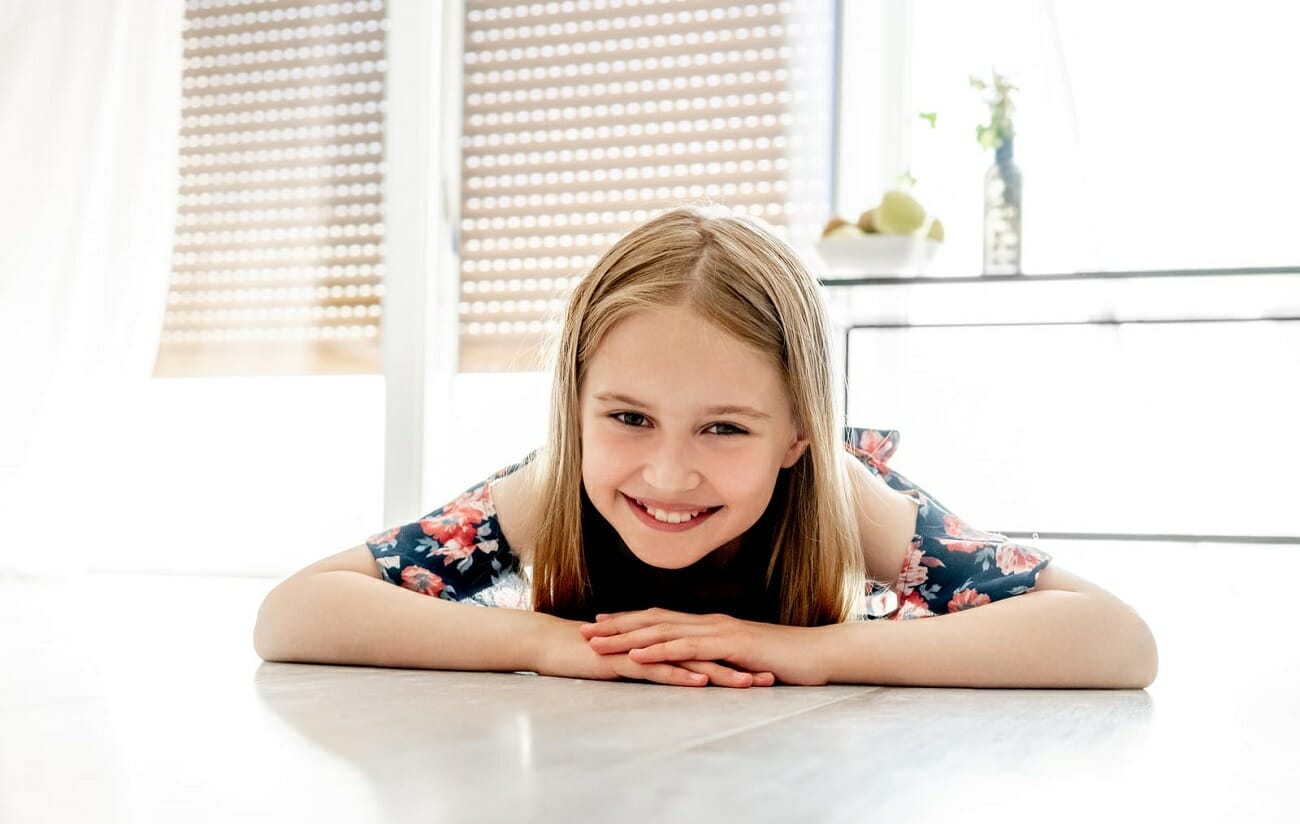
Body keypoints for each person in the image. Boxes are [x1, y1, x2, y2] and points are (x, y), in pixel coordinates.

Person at [253, 206, 1158, 689]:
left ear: (801, 431)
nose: (668, 473)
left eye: (725, 428)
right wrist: (555, 645)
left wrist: (807, 651)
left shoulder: (846, 500)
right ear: (571, 408)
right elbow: (296, 614)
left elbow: (1114, 641)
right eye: (628, 418)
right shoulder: (552, 487)